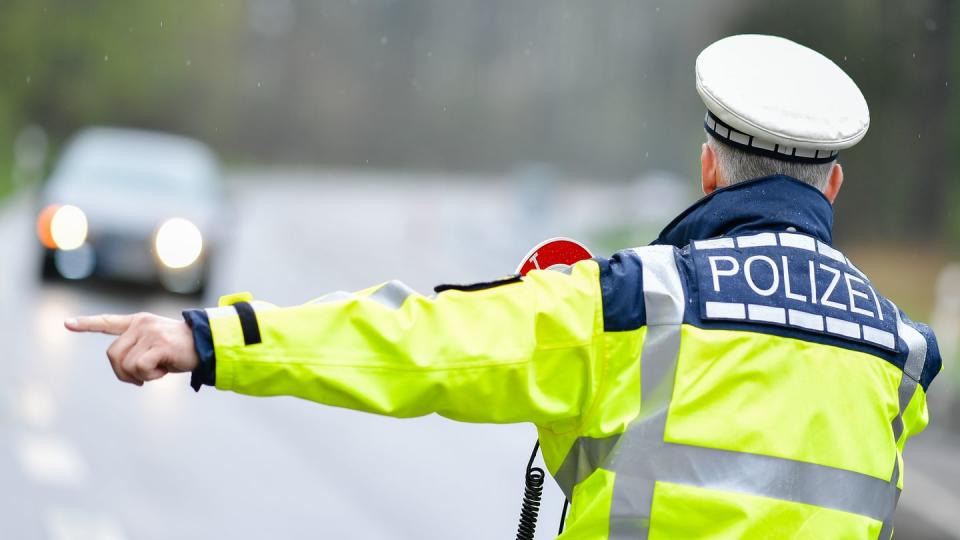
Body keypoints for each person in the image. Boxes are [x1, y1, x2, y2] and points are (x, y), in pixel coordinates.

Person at [66, 34, 941, 539]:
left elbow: (422, 344)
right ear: (832, 188)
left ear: (709, 169)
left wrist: (213, 338)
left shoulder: (636, 302)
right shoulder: (903, 353)